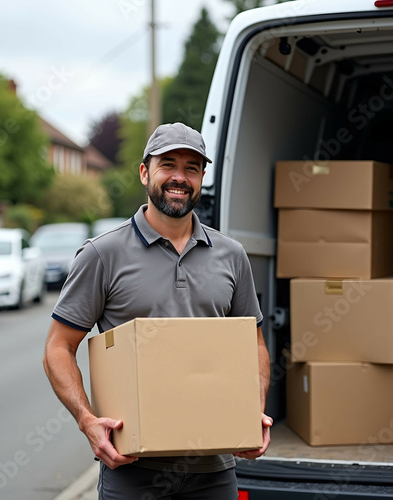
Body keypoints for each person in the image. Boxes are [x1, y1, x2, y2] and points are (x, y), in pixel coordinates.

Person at [43, 122, 272, 499]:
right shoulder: (103, 254)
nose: (179, 178)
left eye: (192, 168)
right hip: (133, 470)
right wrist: (87, 421)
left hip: (214, 471)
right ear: (145, 172)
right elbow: (58, 347)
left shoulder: (232, 255)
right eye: (168, 164)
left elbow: (255, 345)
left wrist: (251, 410)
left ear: (202, 178)